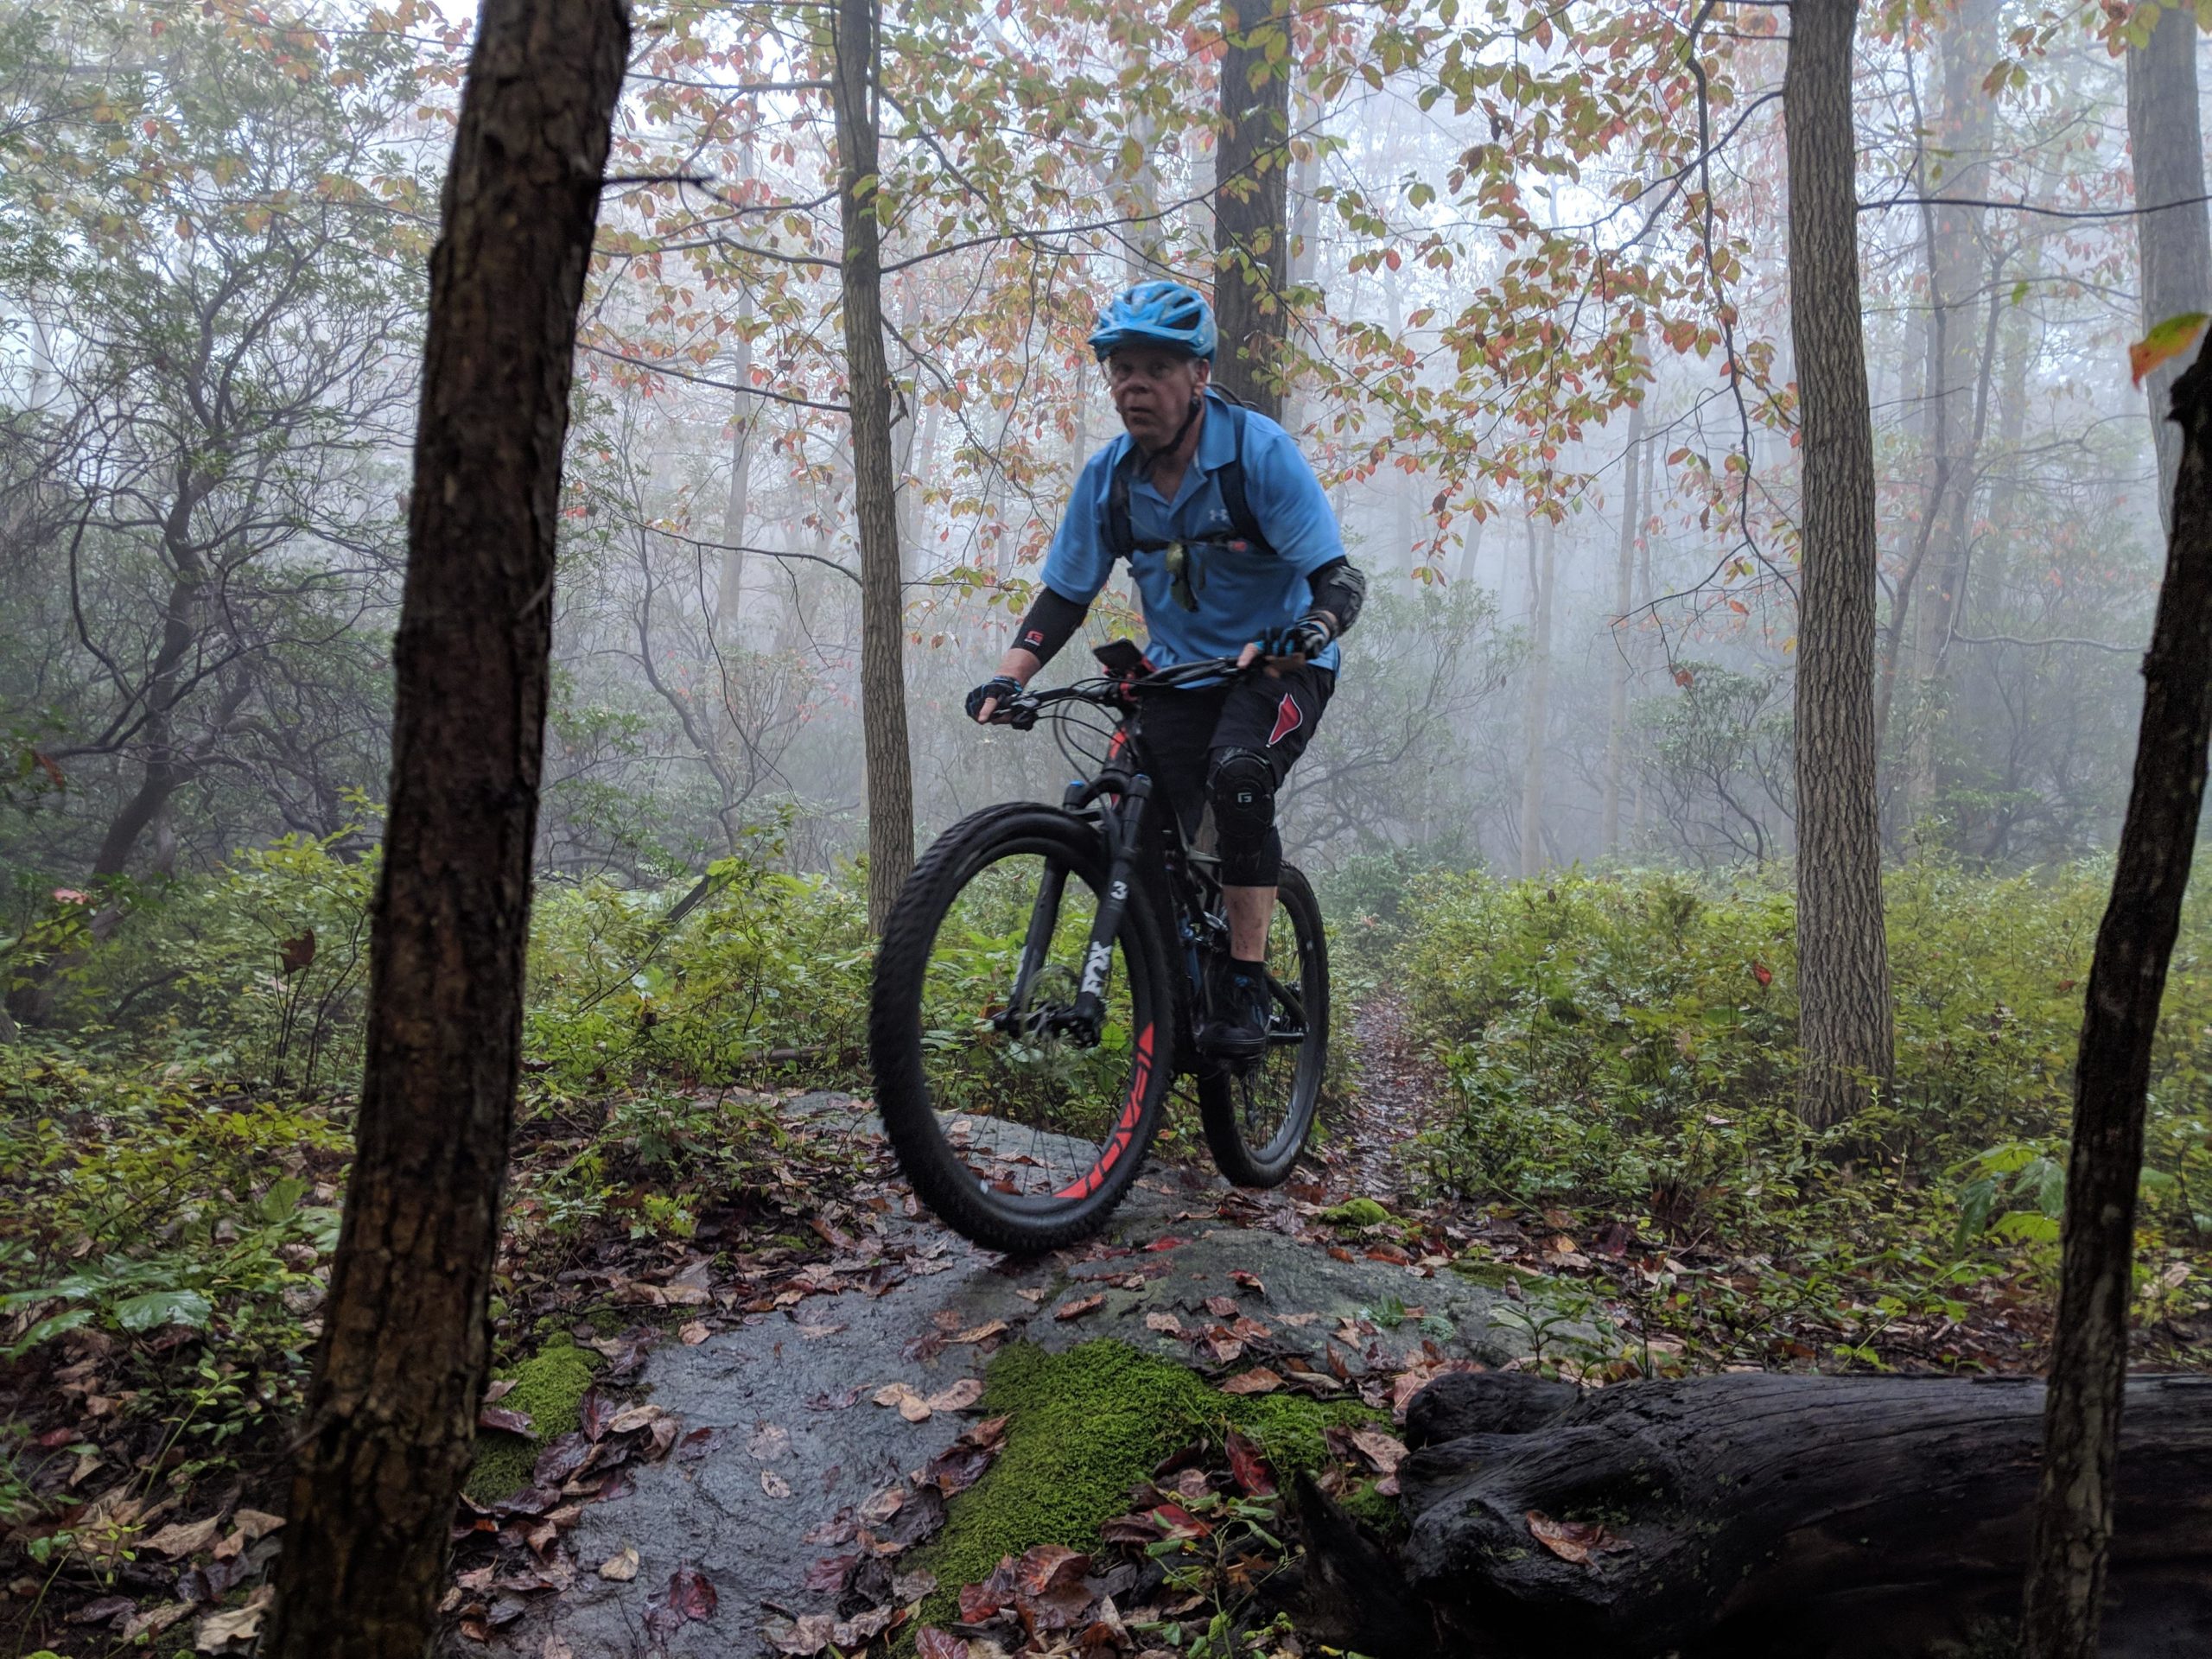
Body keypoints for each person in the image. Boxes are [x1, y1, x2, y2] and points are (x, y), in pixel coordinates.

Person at [963, 279, 1367, 1061]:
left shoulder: (1258, 456)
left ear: (1200, 376)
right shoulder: (1111, 480)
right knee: (1128, 820)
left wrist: (1309, 630)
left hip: (1279, 666)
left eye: (1155, 367)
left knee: (1240, 775)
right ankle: (1168, 984)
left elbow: (1339, 581)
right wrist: (1009, 676)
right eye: (1120, 369)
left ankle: (1245, 982)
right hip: (1179, 675)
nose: (1133, 385)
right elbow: (1064, 595)